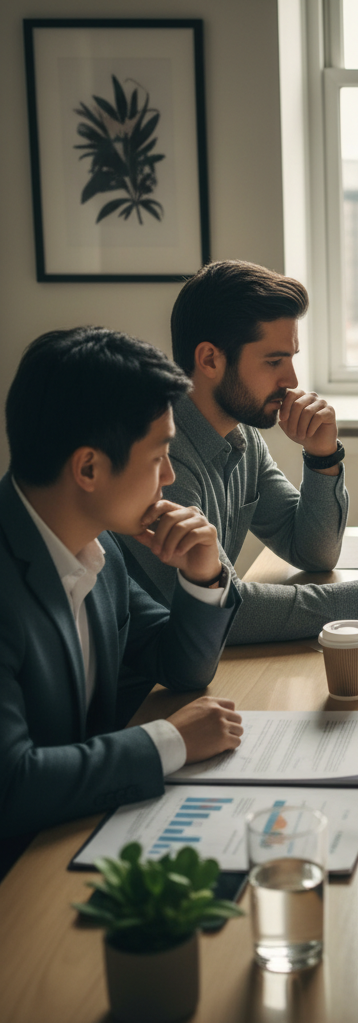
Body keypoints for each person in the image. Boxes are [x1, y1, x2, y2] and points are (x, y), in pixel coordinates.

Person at [0, 327, 243, 873]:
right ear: (88, 468)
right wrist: (167, 742)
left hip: (81, 830)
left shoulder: (95, 542)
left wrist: (204, 574)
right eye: (159, 456)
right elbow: (11, 785)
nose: (171, 476)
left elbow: (179, 666)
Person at [119, 261, 358, 645]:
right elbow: (227, 612)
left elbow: (314, 552)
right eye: (274, 361)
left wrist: (322, 456)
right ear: (210, 359)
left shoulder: (242, 437)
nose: (291, 381)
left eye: (292, 358)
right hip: (145, 688)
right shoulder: (160, 463)